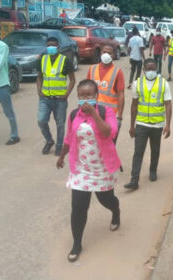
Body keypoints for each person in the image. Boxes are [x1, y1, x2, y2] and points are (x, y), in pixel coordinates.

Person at [57, 79, 121, 263]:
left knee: (106, 200)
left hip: (102, 169)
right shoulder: (73, 114)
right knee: (78, 208)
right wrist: (61, 156)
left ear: (96, 96)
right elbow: (69, 138)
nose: (85, 99)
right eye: (82, 96)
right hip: (81, 170)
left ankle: (116, 211)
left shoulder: (105, 111)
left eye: (89, 95)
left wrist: (94, 114)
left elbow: (109, 132)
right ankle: (77, 243)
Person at [124, 59, 172, 190]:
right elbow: (134, 105)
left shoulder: (163, 83)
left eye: (153, 68)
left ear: (156, 68)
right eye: (148, 68)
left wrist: (168, 125)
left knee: (155, 150)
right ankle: (134, 179)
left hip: (157, 125)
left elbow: (168, 104)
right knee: (138, 151)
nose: (151, 71)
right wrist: (131, 125)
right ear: (144, 69)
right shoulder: (137, 83)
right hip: (141, 123)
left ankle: (153, 170)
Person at [37, 36, 76, 155]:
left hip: (60, 100)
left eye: (53, 46)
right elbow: (39, 77)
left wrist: (67, 94)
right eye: (48, 45)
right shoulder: (43, 59)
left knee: (60, 124)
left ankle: (59, 146)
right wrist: (39, 91)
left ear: (58, 47)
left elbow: (72, 80)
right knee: (41, 121)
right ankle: (49, 141)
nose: (50, 48)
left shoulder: (65, 60)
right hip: (45, 98)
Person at [87, 44, 125, 140]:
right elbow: (86, 90)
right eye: (104, 52)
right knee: (93, 142)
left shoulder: (117, 72)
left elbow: (121, 94)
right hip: (93, 112)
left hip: (110, 115)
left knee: (109, 143)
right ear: (100, 53)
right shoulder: (92, 69)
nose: (106, 55)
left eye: (110, 53)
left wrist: (119, 117)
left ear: (114, 55)